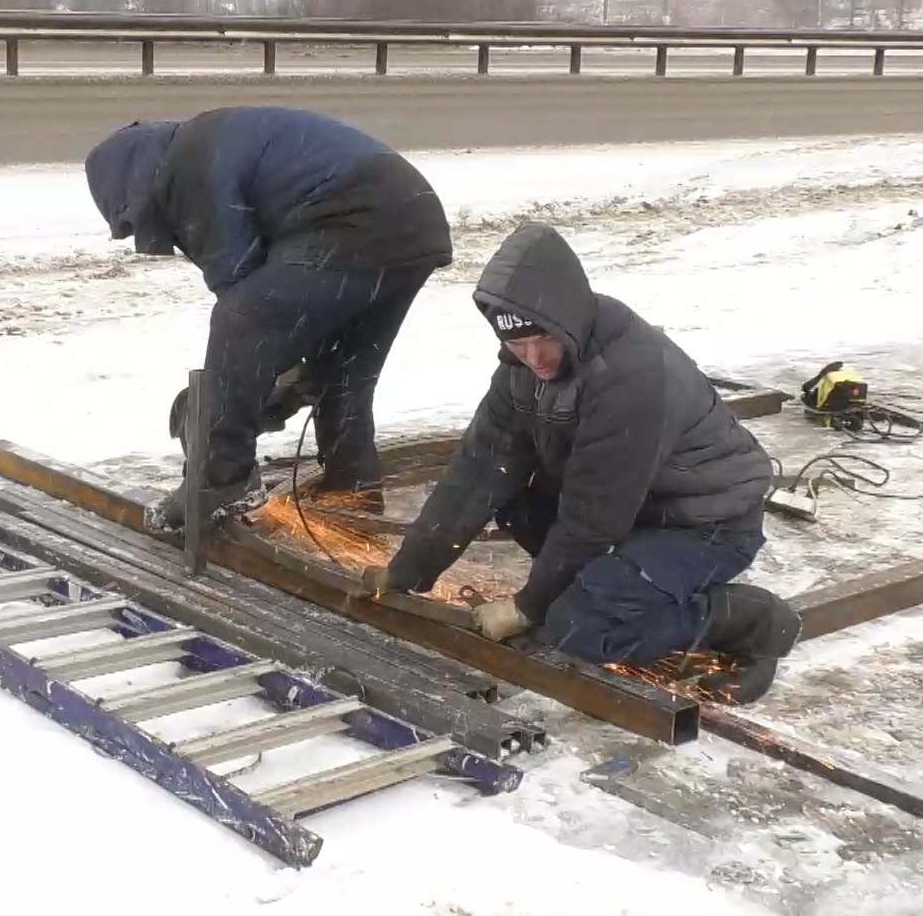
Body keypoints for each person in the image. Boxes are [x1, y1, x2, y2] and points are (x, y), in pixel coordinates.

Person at [364, 222, 801, 704]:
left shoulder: (631, 376)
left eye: (541, 341)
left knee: (579, 631)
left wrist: (529, 607)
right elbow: (479, 470)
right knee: (511, 499)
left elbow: (594, 515)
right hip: (636, 512)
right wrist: (409, 569)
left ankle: (750, 620)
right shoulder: (520, 372)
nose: (533, 358)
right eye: (516, 344)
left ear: (567, 317)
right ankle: (603, 587)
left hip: (705, 523)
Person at [84, 106, 453, 532]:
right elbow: (279, 296)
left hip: (353, 214)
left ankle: (222, 481)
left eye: (131, 221)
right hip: (410, 221)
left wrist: (231, 401)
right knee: (342, 374)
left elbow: (239, 284)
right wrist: (285, 370)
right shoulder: (205, 144)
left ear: (131, 183)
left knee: (239, 321)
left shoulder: (187, 165)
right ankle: (353, 497)